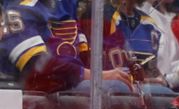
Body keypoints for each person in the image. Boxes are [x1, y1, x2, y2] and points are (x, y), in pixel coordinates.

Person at [0, 0, 131, 93]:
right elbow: (39, 68)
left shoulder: (63, 8)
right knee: (117, 88)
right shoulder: (18, 9)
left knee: (132, 87)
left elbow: (83, 58)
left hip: (64, 95)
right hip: (37, 101)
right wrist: (98, 76)